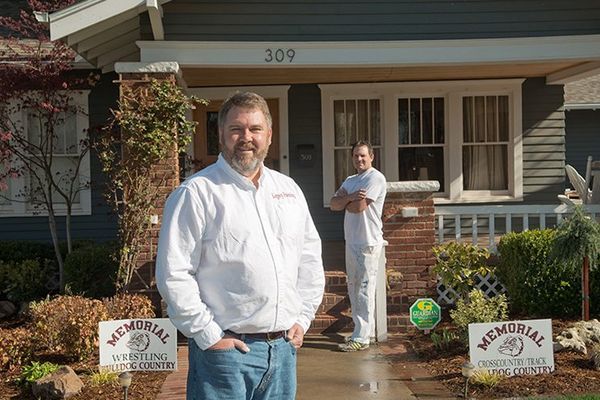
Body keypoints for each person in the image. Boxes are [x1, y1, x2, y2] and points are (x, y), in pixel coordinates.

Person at [155, 92, 325, 400]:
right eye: (236, 129)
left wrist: (303, 318)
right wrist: (208, 335)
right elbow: (174, 272)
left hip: (283, 351)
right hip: (225, 356)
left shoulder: (289, 190)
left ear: (269, 136)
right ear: (221, 135)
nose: (246, 137)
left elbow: (310, 258)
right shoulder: (196, 193)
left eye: (255, 129)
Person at [329, 140, 387, 352]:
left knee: (364, 288)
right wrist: (350, 197)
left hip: (367, 242)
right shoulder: (351, 180)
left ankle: (362, 338)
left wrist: (347, 200)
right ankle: (360, 333)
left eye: (363, 155)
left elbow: (359, 208)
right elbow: (334, 205)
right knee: (353, 287)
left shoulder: (375, 178)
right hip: (351, 240)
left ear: (372, 156)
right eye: (356, 156)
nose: (359, 159)